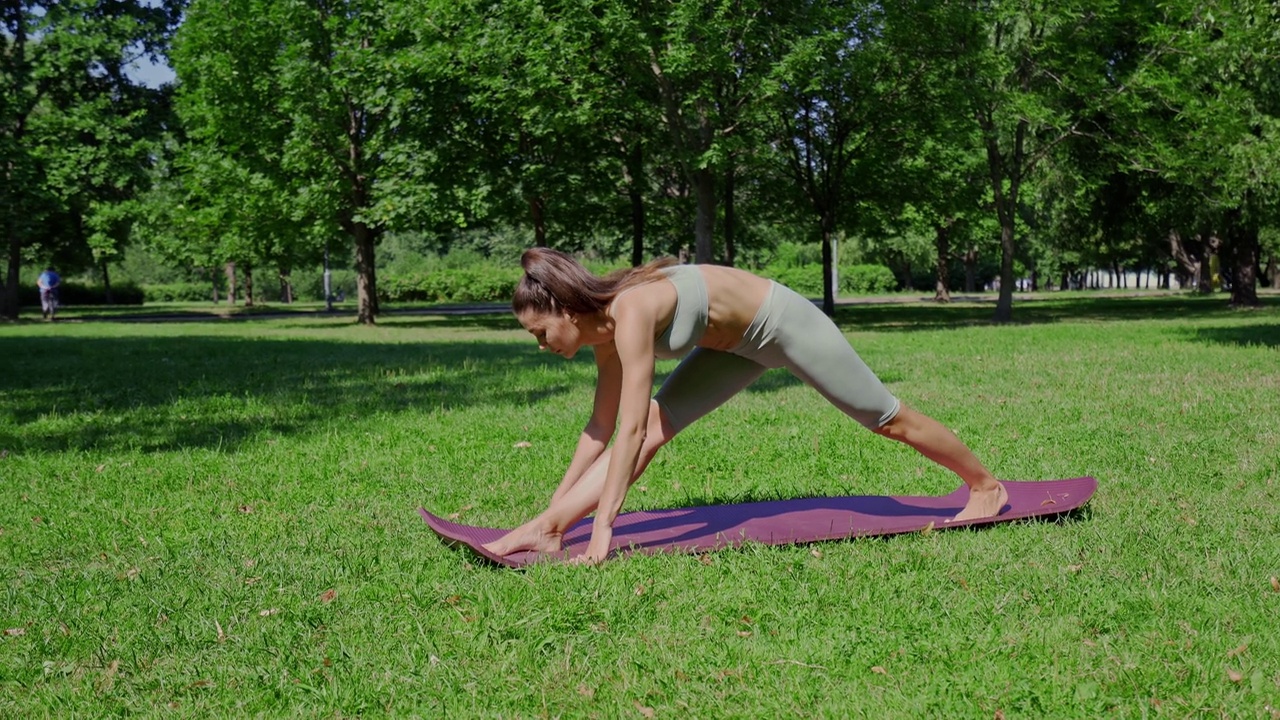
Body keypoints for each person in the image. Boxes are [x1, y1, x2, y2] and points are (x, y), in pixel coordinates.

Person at [484, 248, 1008, 564]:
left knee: (885, 418)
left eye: (540, 331)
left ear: (566, 311)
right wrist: (551, 510)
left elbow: (630, 430)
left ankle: (986, 486)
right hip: (733, 348)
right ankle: (551, 529)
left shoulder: (632, 309)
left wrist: (604, 530)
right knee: (661, 426)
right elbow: (599, 428)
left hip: (784, 326)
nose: (540, 344)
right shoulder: (600, 333)